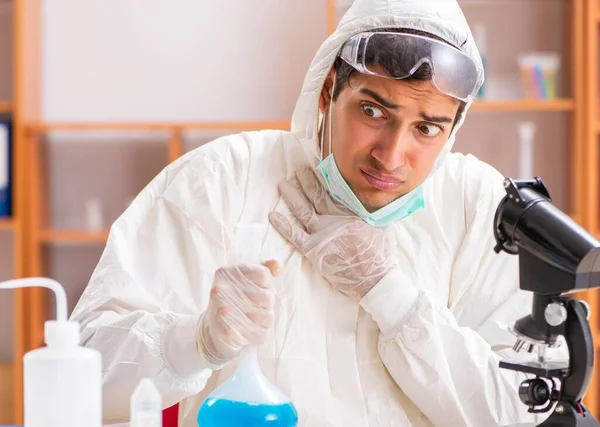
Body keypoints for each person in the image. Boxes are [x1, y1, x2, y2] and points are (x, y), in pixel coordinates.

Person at [70, 0, 566, 426]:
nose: (391, 156)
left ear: (454, 129)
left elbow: (514, 412)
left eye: (427, 129)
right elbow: (81, 375)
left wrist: (390, 294)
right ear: (329, 90)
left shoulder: (480, 208)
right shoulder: (223, 180)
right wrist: (195, 341)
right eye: (374, 112)